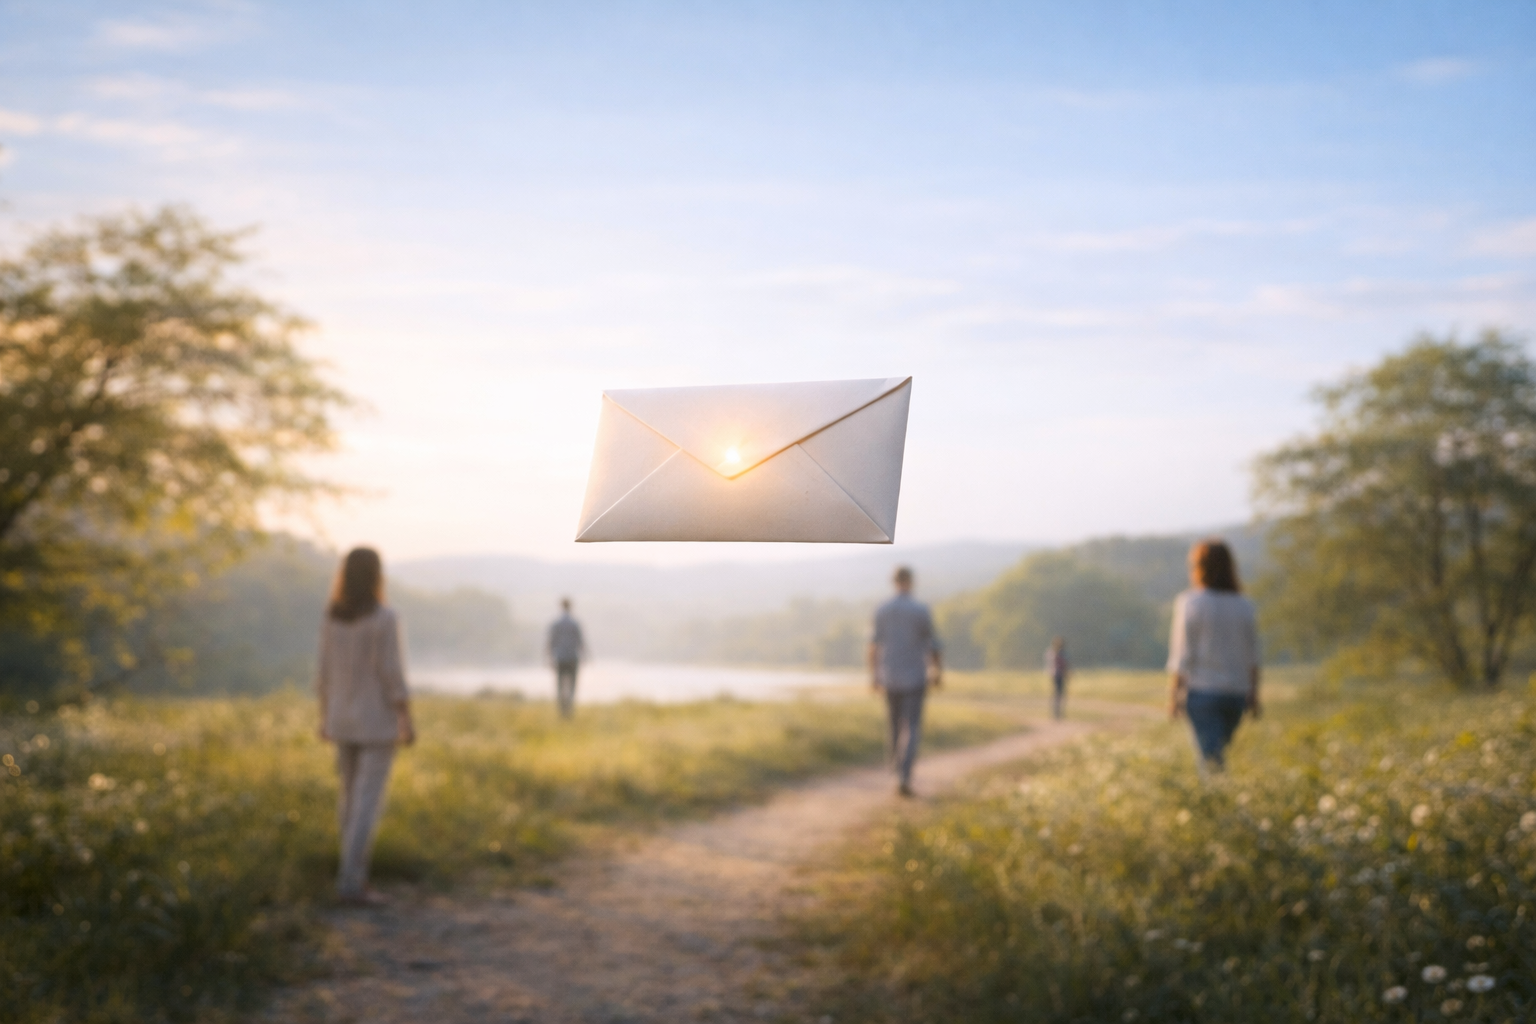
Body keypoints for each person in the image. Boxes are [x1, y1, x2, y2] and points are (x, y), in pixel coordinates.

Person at [316, 547, 415, 906]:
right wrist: (406, 717)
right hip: (375, 721)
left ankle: (350, 877)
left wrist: (324, 716)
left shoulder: (333, 616)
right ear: (376, 575)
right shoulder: (385, 618)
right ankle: (352, 883)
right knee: (366, 805)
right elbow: (392, 672)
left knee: (348, 801)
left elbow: (323, 672)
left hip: (341, 719)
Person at [1167, 539, 1261, 773]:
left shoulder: (1190, 603)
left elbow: (1183, 653)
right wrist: (1254, 694)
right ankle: (1220, 792)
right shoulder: (1244, 606)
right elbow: (1253, 655)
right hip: (1236, 694)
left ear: (1199, 567)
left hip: (1202, 691)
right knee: (1216, 753)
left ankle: (1217, 794)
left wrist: (1175, 695)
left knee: (1211, 758)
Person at [868, 566, 943, 797]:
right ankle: (904, 774)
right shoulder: (920, 610)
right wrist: (937, 672)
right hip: (915, 677)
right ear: (911, 581)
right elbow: (933, 645)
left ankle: (895, 767)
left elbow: (873, 646)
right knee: (911, 727)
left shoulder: (882, 610)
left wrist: (874, 675)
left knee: (893, 725)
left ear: (893, 581)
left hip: (890, 676)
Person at [547, 597, 587, 718]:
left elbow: (551, 642)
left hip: (560, 658)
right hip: (572, 658)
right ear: (570, 607)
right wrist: (584, 657)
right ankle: (569, 707)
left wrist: (550, 658)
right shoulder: (575, 624)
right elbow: (580, 642)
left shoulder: (556, 624)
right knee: (572, 684)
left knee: (560, 684)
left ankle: (562, 709)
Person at [1045, 635, 1070, 720]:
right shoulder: (1059, 653)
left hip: (1056, 675)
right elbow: (1064, 664)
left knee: (1057, 693)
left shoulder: (1051, 652)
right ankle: (1057, 713)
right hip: (1058, 675)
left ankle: (1056, 712)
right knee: (1059, 693)